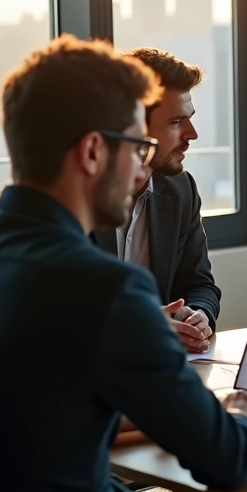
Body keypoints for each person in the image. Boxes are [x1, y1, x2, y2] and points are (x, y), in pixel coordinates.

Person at [0, 35, 247, 492]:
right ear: (94, 151)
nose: (143, 169)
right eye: (137, 148)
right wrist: (240, 414)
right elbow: (227, 459)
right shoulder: (107, 289)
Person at [92, 47, 221, 353]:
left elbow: (200, 285)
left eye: (189, 119)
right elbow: (55, 319)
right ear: (132, 127)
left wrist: (197, 315)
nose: (192, 134)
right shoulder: (77, 197)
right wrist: (139, 327)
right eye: (176, 122)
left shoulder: (181, 189)